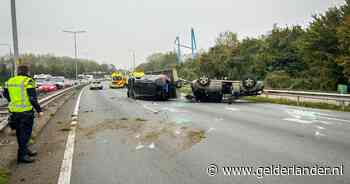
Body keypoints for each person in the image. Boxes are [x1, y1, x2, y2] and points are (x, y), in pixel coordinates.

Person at [3, 65, 44, 164]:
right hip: (25, 112)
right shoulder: (28, 81)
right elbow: (32, 98)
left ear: (18, 71)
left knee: (20, 133)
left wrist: (13, 101)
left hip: (14, 112)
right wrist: (39, 110)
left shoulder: (10, 81)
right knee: (25, 134)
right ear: (27, 72)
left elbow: (5, 94)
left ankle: (25, 150)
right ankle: (22, 156)